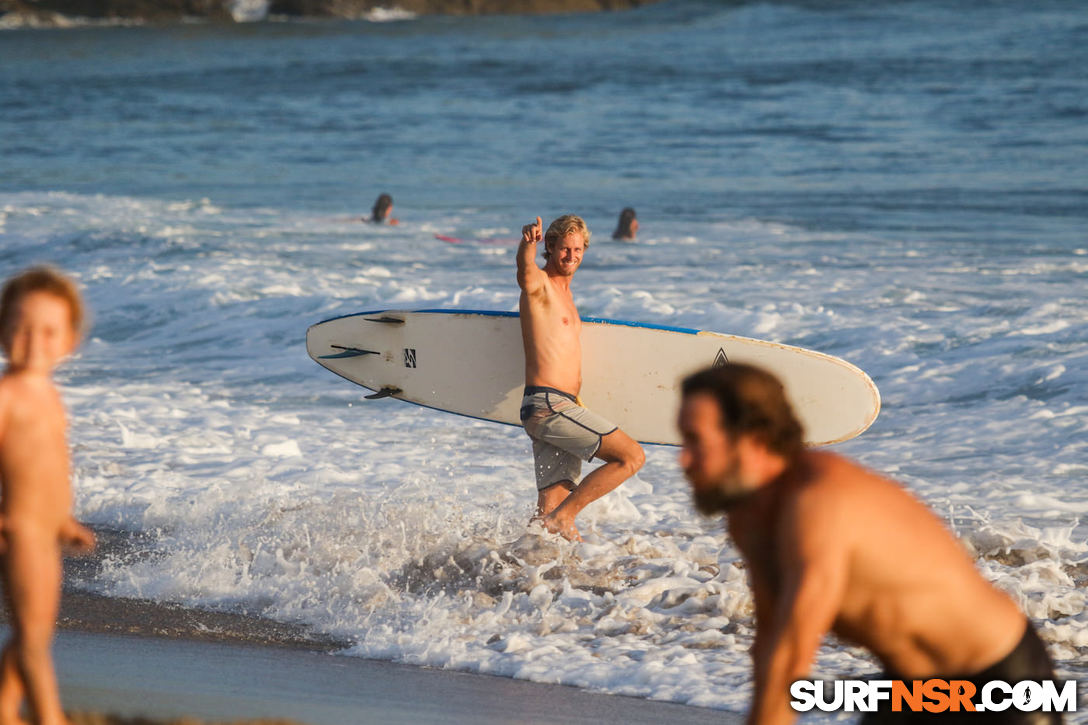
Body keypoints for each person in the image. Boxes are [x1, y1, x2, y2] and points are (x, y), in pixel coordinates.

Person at [677, 363, 1059, 725]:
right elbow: (770, 643)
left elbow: (795, 650)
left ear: (753, 439)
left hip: (1000, 685)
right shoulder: (747, 517)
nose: (683, 460)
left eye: (695, 441)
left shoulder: (818, 501)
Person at [0, 266, 96, 725]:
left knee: (33, 630)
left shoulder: (49, 395)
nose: (33, 341)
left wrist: (65, 520)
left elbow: (52, 468)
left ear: (69, 341)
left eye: (48, 331)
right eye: (19, 328)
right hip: (18, 532)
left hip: (46, 533)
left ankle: (3, 706)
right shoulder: (7, 396)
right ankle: (49, 716)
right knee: (34, 638)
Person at [517, 215, 645, 541]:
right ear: (550, 246)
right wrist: (526, 245)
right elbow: (525, 273)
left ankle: (516, 572)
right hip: (550, 406)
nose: (571, 255)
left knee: (545, 521)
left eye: (577, 249)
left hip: (555, 407)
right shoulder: (541, 286)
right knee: (631, 457)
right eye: (564, 248)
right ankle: (566, 517)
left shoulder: (568, 298)